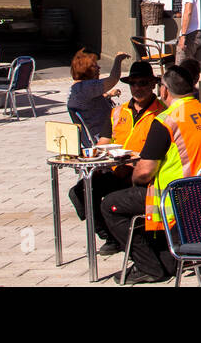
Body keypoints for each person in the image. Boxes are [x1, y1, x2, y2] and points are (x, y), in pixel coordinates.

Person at [101, 65, 201, 284]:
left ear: (164, 90)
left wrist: (135, 177)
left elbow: (145, 172)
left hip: (172, 196)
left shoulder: (166, 120)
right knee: (166, 264)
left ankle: (147, 267)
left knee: (110, 204)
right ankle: (160, 261)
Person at [69, 60, 164, 254]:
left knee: (109, 200)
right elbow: (103, 142)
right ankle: (110, 236)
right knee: (81, 191)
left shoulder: (162, 113)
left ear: (153, 84)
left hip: (143, 174)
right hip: (117, 170)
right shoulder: (117, 112)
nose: (138, 88)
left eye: (143, 83)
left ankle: (127, 238)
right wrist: (90, 155)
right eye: (133, 83)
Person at [67, 49, 125, 142]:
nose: (99, 68)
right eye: (95, 66)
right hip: (104, 135)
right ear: (86, 70)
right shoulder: (87, 87)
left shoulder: (76, 87)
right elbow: (113, 79)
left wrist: (108, 95)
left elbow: (87, 102)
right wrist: (118, 59)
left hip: (99, 132)